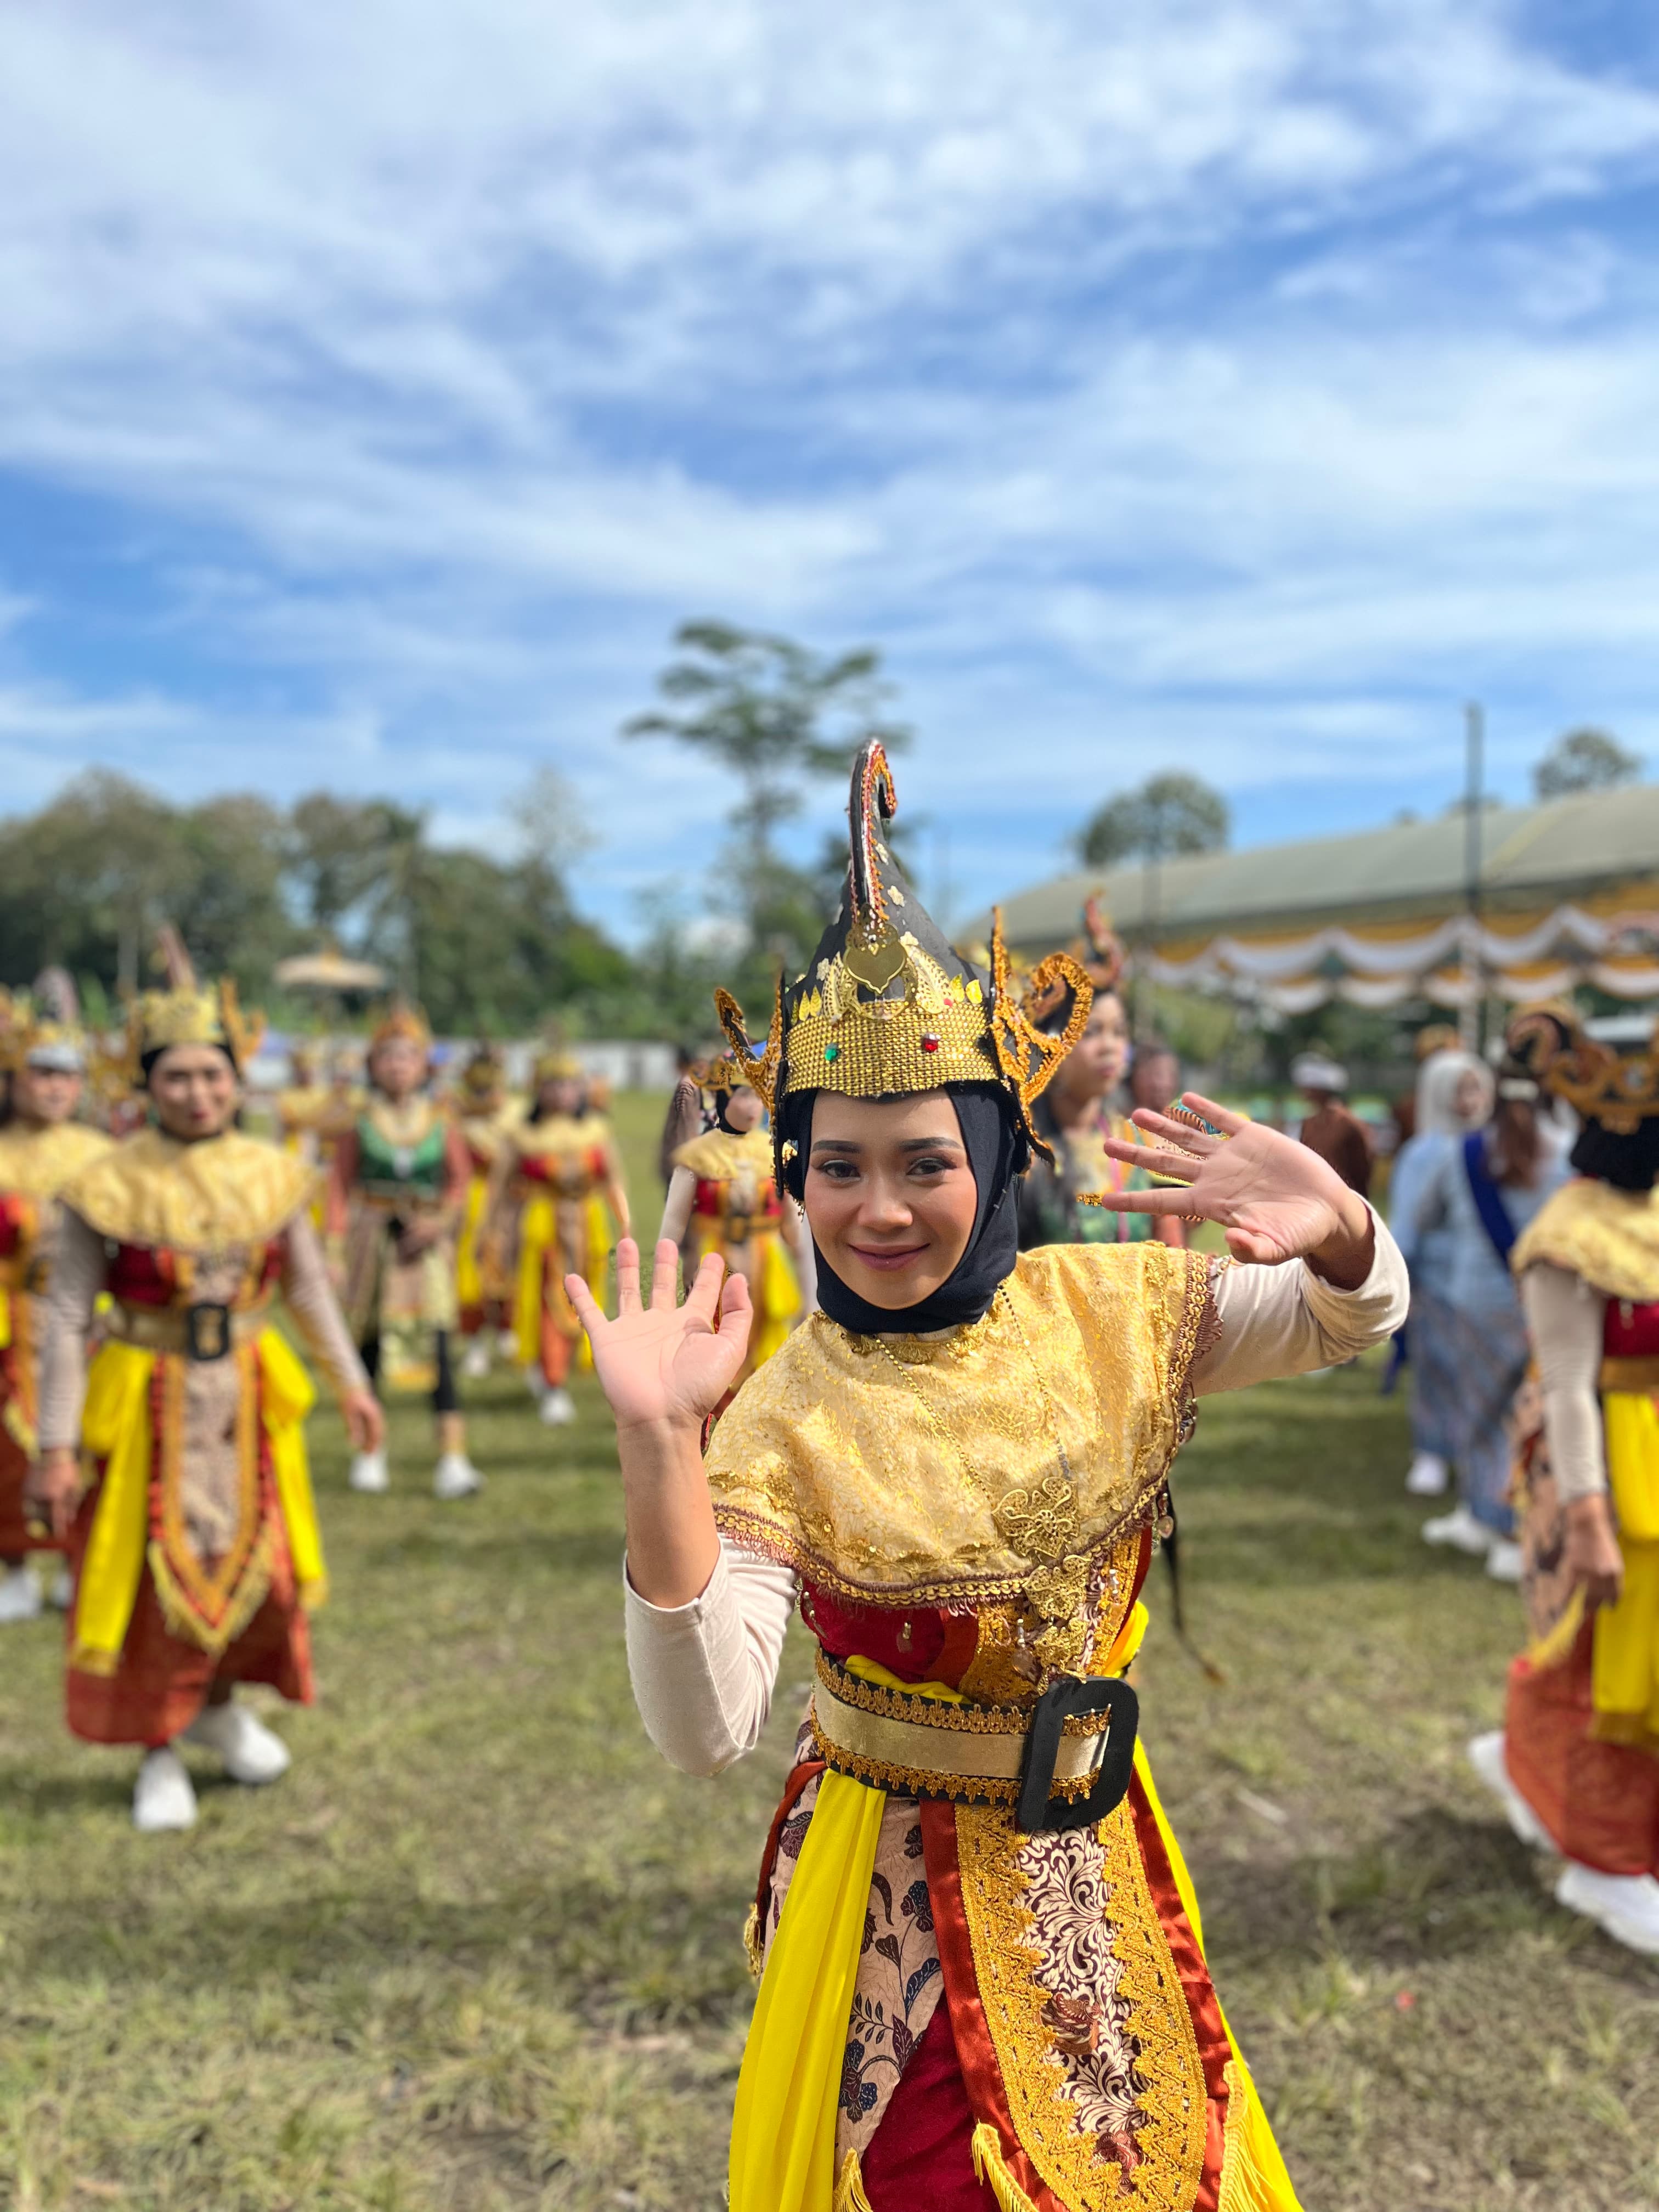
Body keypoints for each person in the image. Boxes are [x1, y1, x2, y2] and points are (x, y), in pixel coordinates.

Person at [575, 743, 1406, 2212]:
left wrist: (1342, 1226)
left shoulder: (1113, 1312)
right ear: (793, 1178)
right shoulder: (781, 1414)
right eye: (836, 1168)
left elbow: (1347, 1320)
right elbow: (707, 1731)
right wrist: (660, 1449)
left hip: (1103, 1855)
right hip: (895, 1888)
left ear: (1001, 1158)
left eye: (922, 1163)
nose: (878, 1209)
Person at [25, 938, 382, 1832]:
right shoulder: (103, 1182)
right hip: (143, 1399)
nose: (198, 1093)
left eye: (213, 1075)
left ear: (237, 1079)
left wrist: (353, 1385)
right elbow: (67, 1313)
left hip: (250, 1397)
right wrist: (55, 1444)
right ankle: (158, 1747)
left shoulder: (270, 1174)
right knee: (143, 1575)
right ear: (147, 1084)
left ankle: (219, 1708)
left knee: (258, 1565)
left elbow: (304, 1285)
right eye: (177, 1076)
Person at [1468, 1006, 1659, 1954]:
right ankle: (1603, 1860)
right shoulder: (1569, 1229)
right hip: (1617, 1475)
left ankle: (1519, 1764)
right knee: (1610, 1663)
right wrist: (1586, 1515)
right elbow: (1570, 1384)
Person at [1413, 1042, 1568, 1579]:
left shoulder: (1465, 1152)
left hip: (1474, 1303)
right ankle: (1493, 1522)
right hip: (1544, 1305)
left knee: (1479, 1420)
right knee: (1529, 1425)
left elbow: (1422, 1216)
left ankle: (1495, 1523)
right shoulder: (1567, 1153)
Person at [327, 1003, 482, 1499]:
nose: (397, 1066)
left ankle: (452, 1459)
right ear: (373, 1065)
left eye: (407, 1056)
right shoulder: (359, 1120)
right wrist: (332, 1250)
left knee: (437, 1345)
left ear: (423, 1065)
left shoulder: (441, 1118)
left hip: (425, 1246)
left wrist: (439, 1223)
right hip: (374, 1243)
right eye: (387, 1056)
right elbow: (338, 1185)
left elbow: (460, 1179)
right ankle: (371, 1452)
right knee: (369, 1347)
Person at [0, 978, 110, 1624]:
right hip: (11, 1324)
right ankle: (14, 1565)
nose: (55, 1088)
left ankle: (78, 1561)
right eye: (41, 1073)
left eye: (67, 1077)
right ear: (13, 1077)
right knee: (10, 1453)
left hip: (88, 1326)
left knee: (88, 1444)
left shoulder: (103, 1157)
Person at [1017, 904, 1185, 1253]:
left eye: (1119, 1032)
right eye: (1092, 1032)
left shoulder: (1138, 1145)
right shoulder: (1021, 1153)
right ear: (1051, 1045)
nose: (1110, 1047)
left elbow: (1175, 1259)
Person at [484, 1048, 630, 1426]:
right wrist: (491, 1231)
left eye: (569, 1084)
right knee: (547, 1297)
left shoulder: (595, 1130)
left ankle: (566, 1365)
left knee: (586, 1298)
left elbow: (613, 1181)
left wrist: (625, 1225)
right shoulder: (523, 1134)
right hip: (542, 1228)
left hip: (588, 1225)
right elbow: (499, 1188)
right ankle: (551, 1380)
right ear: (539, 1089)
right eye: (554, 1085)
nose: (563, 1093)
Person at [658, 1043, 813, 1379]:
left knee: (769, 1363)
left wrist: (808, 1291)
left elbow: (793, 1231)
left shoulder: (776, 1153)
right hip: (715, 1268)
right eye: (744, 1096)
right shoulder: (698, 1157)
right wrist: (664, 1293)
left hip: (768, 1270)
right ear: (724, 1098)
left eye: (760, 1096)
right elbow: (672, 1228)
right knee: (716, 1360)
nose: (754, 1106)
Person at [1389, 1048, 1494, 1498]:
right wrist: (1402, 1282)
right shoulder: (1424, 1153)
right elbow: (1407, 1224)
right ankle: (1431, 1453)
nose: (1470, 1100)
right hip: (1435, 1281)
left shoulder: (1498, 1146)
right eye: (1460, 1089)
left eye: (1476, 1088)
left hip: (1486, 1281)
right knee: (1435, 1370)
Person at [450, 1042, 520, 1381]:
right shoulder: (455, 1120)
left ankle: (508, 1329)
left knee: (508, 1267)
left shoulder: (516, 1116)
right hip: (469, 1201)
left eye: (491, 1086)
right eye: (478, 1087)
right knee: (470, 1273)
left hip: (508, 1201)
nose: (486, 1094)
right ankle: (475, 1341)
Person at [1291, 1053, 1373, 1198]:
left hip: (1346, 1199)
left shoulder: (1349, 1124)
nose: (1304, 1092)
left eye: (1309, 1087)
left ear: (1321, 1090)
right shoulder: (1308, 1123)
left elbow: (1363, 1167)